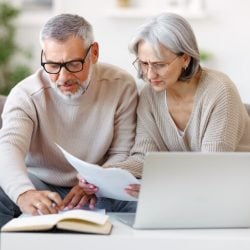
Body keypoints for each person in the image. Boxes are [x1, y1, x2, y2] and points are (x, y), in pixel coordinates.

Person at [78, 12, 250, 199]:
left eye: (159, 64)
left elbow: (212, 169)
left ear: (185, 58)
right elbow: (144, 158)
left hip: (235, 193)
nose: (150, 75)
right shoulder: (150, 95)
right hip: (189, 197)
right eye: (143, 63)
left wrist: (162, 188)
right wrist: (103, 173)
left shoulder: (219, 91)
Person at [0, 13, 139, 228]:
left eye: (74, 64)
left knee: (142, 200)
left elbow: (122, 154)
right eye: (53, 65)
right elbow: (8, 148)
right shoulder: (26, 94)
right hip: (42, 187)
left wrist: (97, 183)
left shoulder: (121, 86)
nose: (63, 77)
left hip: (98, 187)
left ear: (94, 53)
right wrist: (24, 193)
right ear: (43, 55)